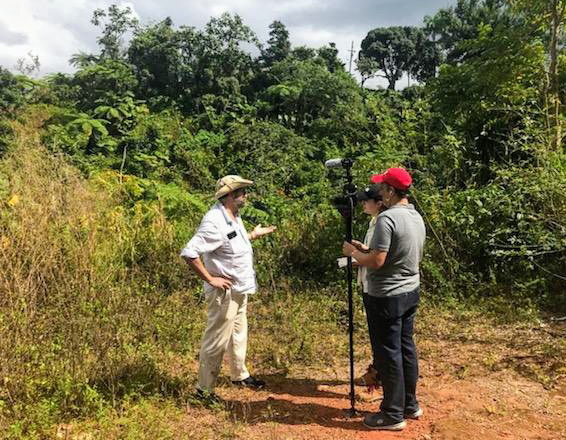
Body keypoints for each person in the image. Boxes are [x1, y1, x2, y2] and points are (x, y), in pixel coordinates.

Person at [342, 167, 426, 431]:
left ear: (390, 191)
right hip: (409, 291)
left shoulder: (387, 219)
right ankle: (409, 404)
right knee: (405, 348)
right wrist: (366, 249)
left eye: (381, 188)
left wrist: (353, 255)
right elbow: (395, 253)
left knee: (388, 352)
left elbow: (378, 261)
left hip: (386, 296)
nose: (379, 192)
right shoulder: (415, 217)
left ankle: (392, 414)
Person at [180, 175, 276, 401]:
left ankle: (239, 374)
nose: (246, 196)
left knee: (238, 332)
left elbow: (230, 244)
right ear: (231, 195)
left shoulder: (233, 216)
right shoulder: (214, 220)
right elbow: (189, 252)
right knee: (217, 339)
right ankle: (204, 390)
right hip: (224, 291)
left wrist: (253, 235)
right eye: (242, 192)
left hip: (240, 286)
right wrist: (210, 279)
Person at [350, 185, 386, 393]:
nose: (363, 204)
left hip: (378, 286)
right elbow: (372, 251)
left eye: (367, 200)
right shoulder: (374, 222)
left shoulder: (384, 223)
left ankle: (379, 374)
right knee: (376, 334)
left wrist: (357, 258)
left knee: (381, 334)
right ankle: (378, 370)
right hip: (369, 283)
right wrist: (362, 251)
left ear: (379, 202)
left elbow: (378, 258)